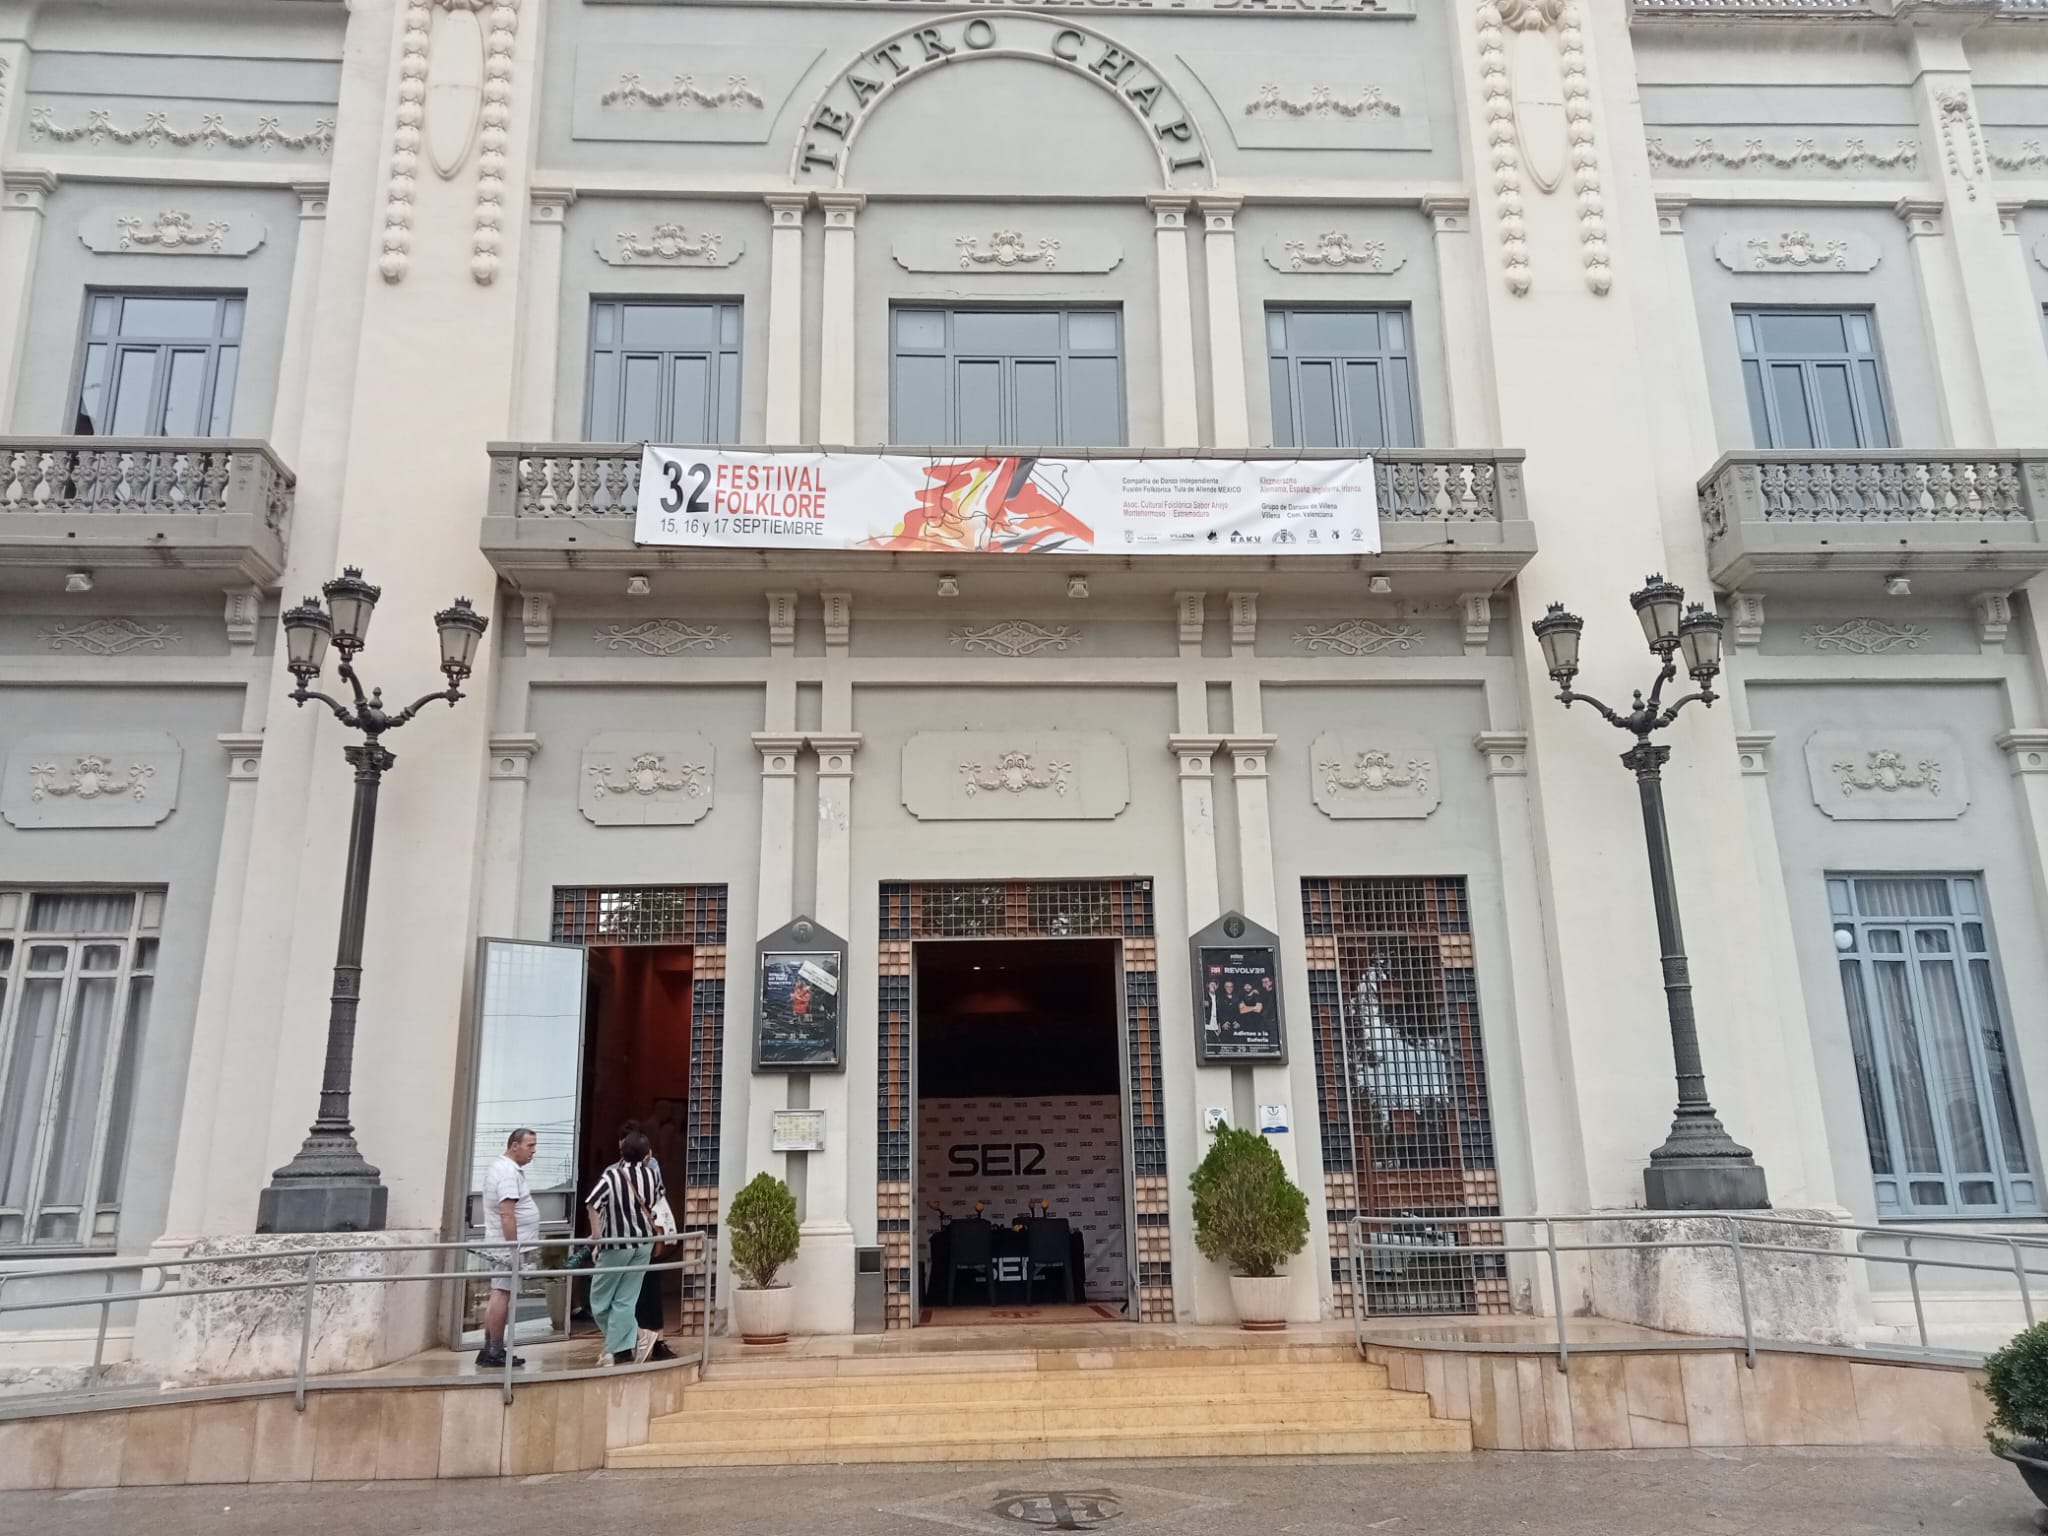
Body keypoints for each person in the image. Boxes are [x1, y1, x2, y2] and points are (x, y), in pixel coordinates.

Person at [586, 1125, 662, 1366]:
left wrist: (597, 1237)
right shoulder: (652, 1176)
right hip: (643, 1244)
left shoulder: (612, 1175)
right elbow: (658, 1202)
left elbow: (592, 1204)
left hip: (616, 1244)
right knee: (625, 1301)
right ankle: (613, 1350)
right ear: (646, 1154)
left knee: (598, 1301)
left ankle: (638, 1336)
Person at [478, 1127, 539, 1369]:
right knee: (501, 1294)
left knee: (500, 1293)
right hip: (506, 1247)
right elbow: (507, 1214)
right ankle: (494, 1349)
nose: (533, 1152)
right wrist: (514, 1249)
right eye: (529, 1146)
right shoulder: (506, 1173)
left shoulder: (508, 1170)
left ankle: (489, 1348)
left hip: (506, 1245)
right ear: (515, 1145)